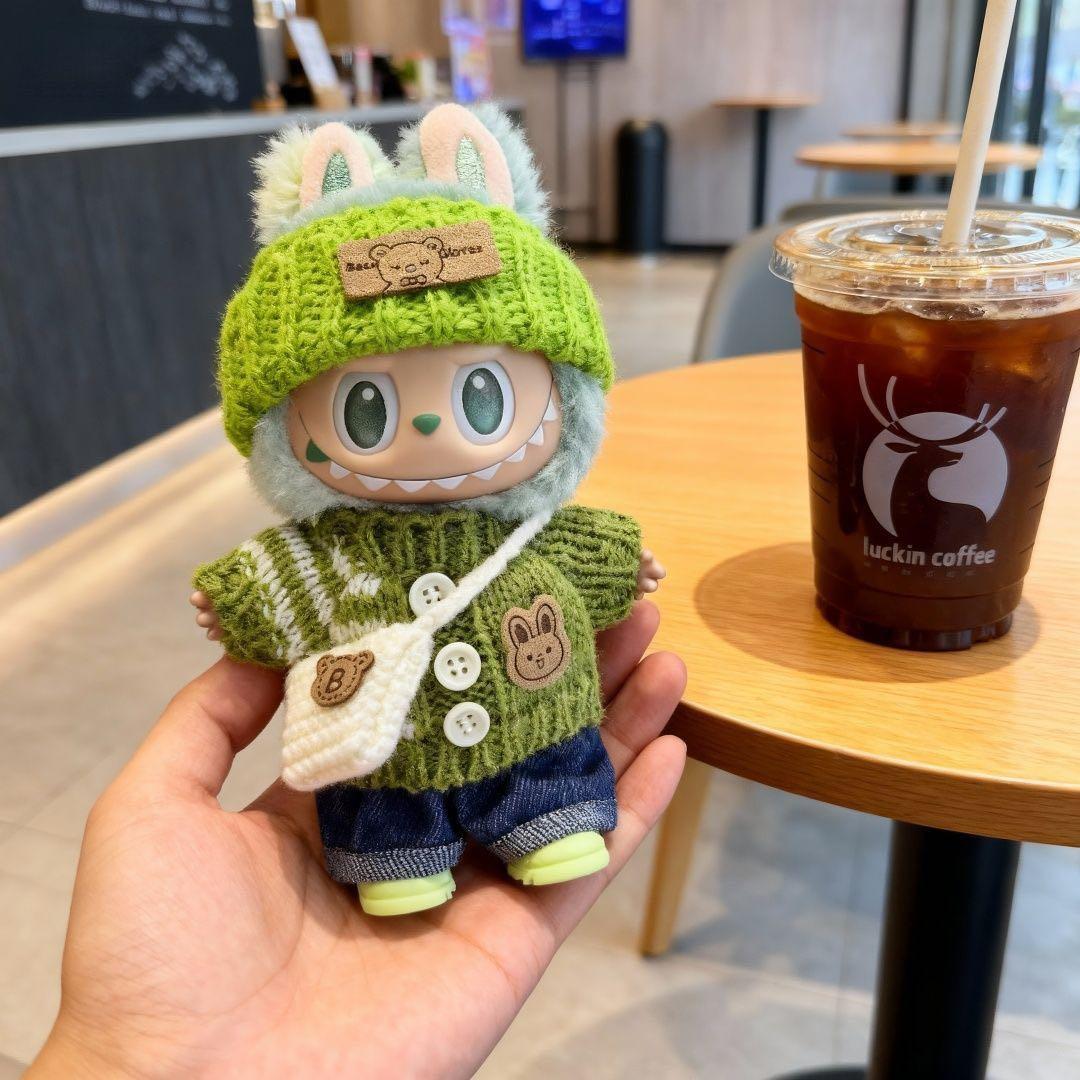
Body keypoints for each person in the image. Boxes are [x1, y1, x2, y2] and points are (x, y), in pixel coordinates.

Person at [27, 601, 685, 1076]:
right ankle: (396, 861)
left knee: (537, 739)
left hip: (518, 705)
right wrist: (236, 602)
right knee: (380, 776)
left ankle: (550, 819)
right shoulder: (329, 551)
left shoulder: (529, 527)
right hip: (381, 729)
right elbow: (275, 584)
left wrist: (625, 566)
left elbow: (598, 557)